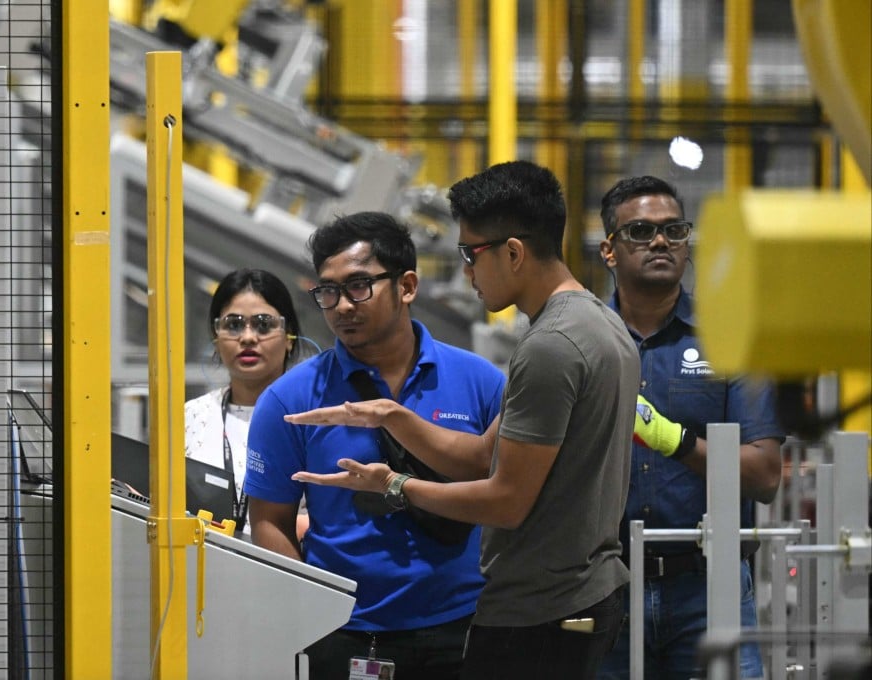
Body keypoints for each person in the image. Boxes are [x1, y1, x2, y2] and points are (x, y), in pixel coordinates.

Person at [285, 162, 641, 680]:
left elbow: (505, 501)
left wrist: (395, 486)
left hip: (540, 611)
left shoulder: (549, 348)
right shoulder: (599, 323)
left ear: (513, 252)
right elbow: (482, 455)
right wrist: (394, 417)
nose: (468, 273)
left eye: (471, 255)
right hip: (576, 597)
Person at [243, 211, 506, 679]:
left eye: (359, 286)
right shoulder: (290, 400)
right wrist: (311, 616)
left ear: (407, 286)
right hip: (347, 634)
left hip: (466, 626)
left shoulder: (480, 382)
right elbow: (269, 521)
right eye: (328, 291)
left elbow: (509, 494)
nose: (342, 306)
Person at [595, 175, 784, 679]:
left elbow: (765, 475)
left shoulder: (731, 339)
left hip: (708, 589)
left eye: (674, 230)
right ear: (608, 250)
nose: (661, 241)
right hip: (605, 588)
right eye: (641, 231)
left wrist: (674, 441)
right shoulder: (581, 341)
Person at [183, 268, 305, 534]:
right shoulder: (190, 417)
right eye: (234, 325)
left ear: (289, 336)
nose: (248, 337)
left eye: (263, 324)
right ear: (216, 338)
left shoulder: (313, 419)